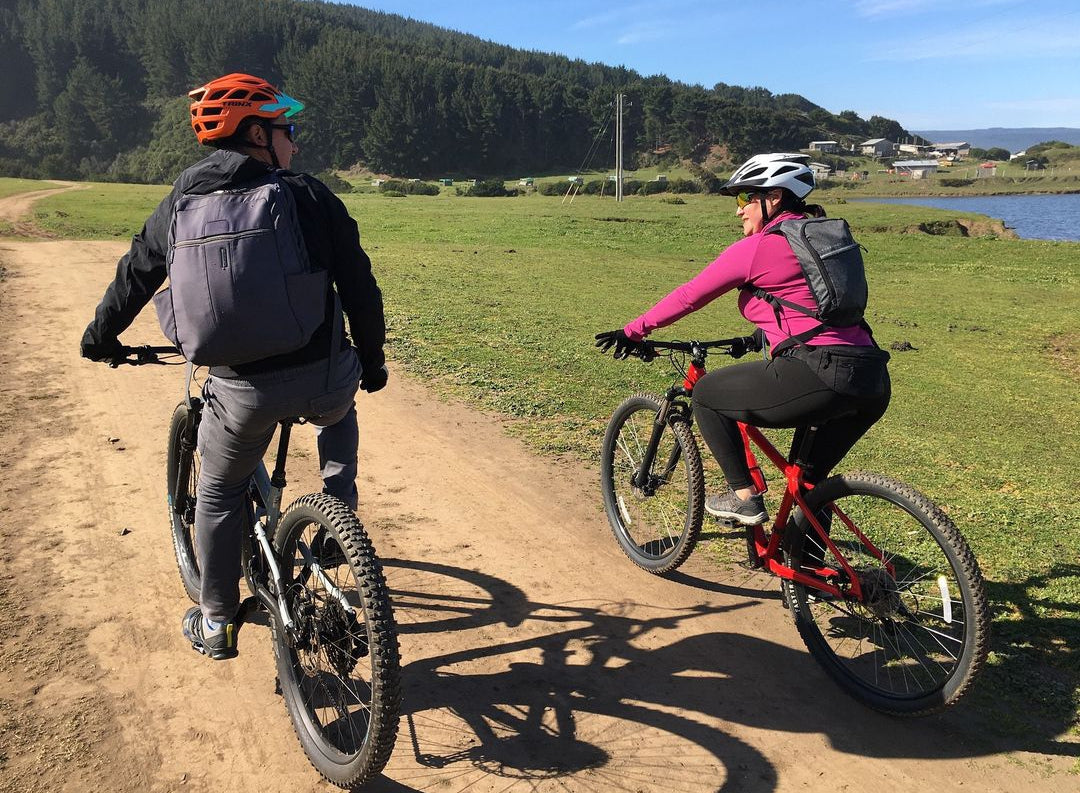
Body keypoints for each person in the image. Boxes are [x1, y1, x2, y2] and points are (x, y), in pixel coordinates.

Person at [80, 73, 387, 660]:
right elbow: (360, 286)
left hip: (243, 392)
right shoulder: (309, 195)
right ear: (256, 134)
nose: (293, 141)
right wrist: (370, 363)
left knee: (217, 493)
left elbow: (135, 276)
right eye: (285, 129)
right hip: (326, 375)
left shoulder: (178, 204)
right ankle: (335, 524)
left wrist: (101, 336)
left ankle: (217, 620)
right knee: (337, 414)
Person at [596, 153, 890, 531]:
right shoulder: (818, 238)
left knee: (706, 396)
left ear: (775, 198)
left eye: (745, 199)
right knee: (808, 483)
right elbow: (812, 304)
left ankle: (744, 497)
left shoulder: (759, 249)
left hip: (820, 372)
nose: (739, 211)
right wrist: (761, 336)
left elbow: (690, 296)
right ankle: (811, 579)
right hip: (871, 377)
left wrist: (633, 331)